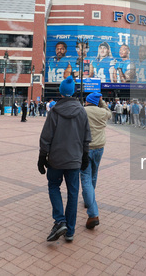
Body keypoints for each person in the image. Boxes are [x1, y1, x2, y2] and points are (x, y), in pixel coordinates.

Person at [38, 75, 91, 242]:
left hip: (56, 159)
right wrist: (85, 156)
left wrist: (42, 156)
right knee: (73, 193)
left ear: (61, 92)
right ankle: (70, 231)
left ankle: (60, 220)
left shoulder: (54, 111)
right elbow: (86, 137)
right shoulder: (82, 111)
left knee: (54, 186)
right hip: (75, 159)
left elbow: (46, 136)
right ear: (73, 92)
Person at [81, 92, 112, 230]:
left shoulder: (83, 111)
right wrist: (102, 101)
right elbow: (109, 112)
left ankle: (93, 212)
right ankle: (89, 200)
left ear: (87, 101)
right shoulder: (102, 112)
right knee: (94, 174)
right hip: (99, 147)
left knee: (85, 177)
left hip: (86, 148)